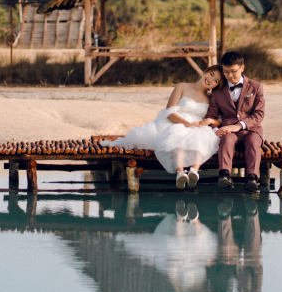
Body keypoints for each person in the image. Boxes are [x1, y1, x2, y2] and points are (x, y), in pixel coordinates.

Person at [110, 64, 223, 189]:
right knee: (176, 135)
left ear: (216, 85)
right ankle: (180, 172)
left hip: (198, 125)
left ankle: (194, 171)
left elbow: (220, 120)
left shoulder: (211, 98)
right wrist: (187, 124)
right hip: (176, 121)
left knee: (203, 137)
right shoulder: (182, 86)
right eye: (211, 75)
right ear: (206, 71)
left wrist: (209, 120)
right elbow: (169, 112)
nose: (210, 80)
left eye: (216, 81)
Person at [202, 50, 265, 192]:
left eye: (233, 71)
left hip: (251, 129)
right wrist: (214, 130)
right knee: (226, 139)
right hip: (228, 130)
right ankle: (224, 176)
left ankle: (252, 178)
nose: (230, 76)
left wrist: (239, 125)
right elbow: (211, 115)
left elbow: (259, 114)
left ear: (242, 68)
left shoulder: (256, 87)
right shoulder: (217, 92)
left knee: (253, 142)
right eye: (226, 72)